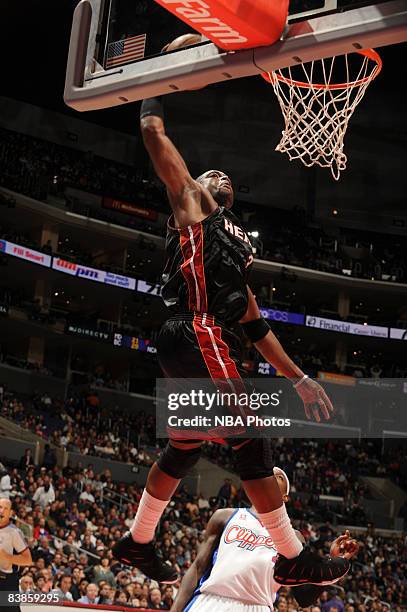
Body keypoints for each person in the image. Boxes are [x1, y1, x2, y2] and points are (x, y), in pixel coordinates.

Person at [113, 35, 343, 587]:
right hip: (195, 331)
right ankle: (291, 555)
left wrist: (303, 378)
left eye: (225, 179)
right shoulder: (192, 203)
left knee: (187, 443)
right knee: (250, 429)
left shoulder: (237, 248)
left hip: (197, 337)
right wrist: (158, 73)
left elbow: (258, 327)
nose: (219, 177)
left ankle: (138, 542)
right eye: (212, 173)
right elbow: (151, 132)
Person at [169, 469, 359, 611]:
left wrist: (334, 561)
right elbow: (197, 568)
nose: (271, 474)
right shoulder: (225, 516)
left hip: (257, 606)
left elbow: (303, 598)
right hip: (211, 601)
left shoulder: (294, 537)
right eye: (267, 473)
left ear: (285, 497)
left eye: (278, 476)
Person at [0, 498, 32, 612]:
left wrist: (7, 557)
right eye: (0, 507)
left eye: (5, 508)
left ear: (11, 513)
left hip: (7, 582)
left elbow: (28, 560)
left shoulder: (14, 532)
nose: (1, 511)